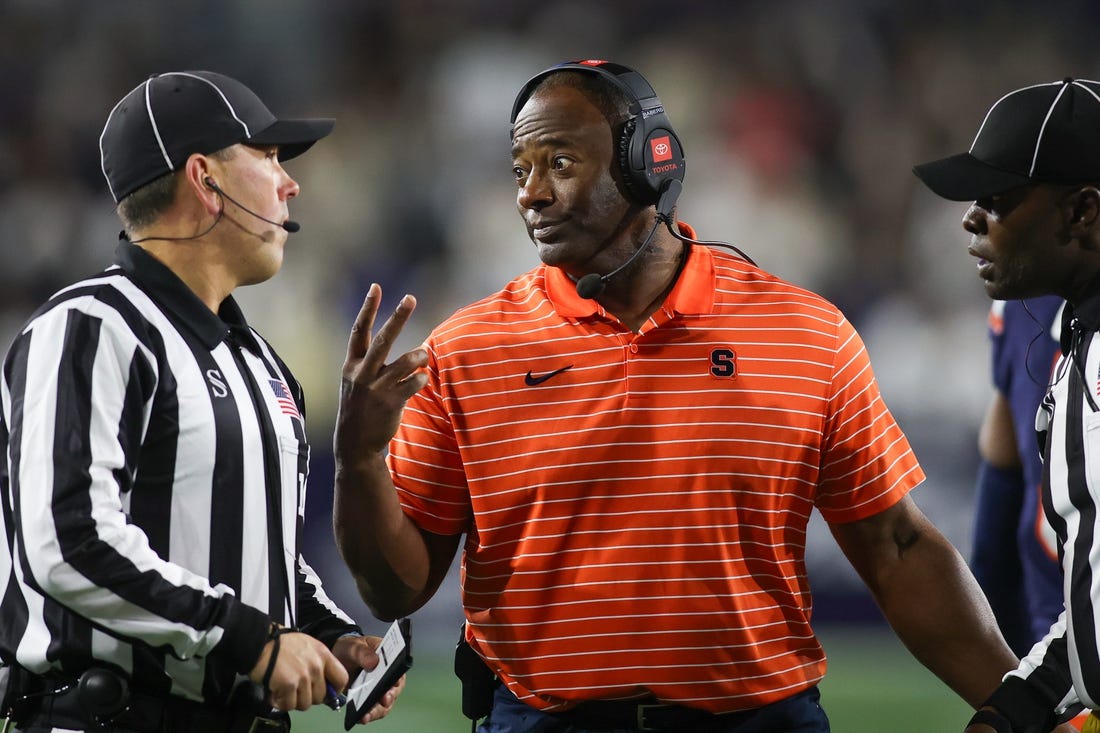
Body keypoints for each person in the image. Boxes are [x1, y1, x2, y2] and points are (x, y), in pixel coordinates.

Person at [332, 60, 1019, 732]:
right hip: (541, 719)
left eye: (559, 163)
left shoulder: (804, 333)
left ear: (646, 165)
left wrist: (1028, 706)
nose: (529, 193)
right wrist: (360, 460)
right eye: (521, 170)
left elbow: (895, 545)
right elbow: (396, 590)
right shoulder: (467, 348)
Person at [0, 71, 401, 732]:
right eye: (269, 157)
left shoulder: (261, 361)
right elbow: (68, 540)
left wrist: (327, 635)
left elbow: (256, 548)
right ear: (204, 179)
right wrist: (252, 639)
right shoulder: (91, 327)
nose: (290, 183)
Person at [913, 77, 1100, 733]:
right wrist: (1013, 705)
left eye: (996, 198)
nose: (971, 216)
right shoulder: (1064, 336)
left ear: (1083, 211)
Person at [972, 295, 1064, 657]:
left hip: (1057, 660)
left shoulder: (1025, 299)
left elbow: (992, 557)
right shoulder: (1021, 299)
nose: (973, 232)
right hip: (1062, 661)